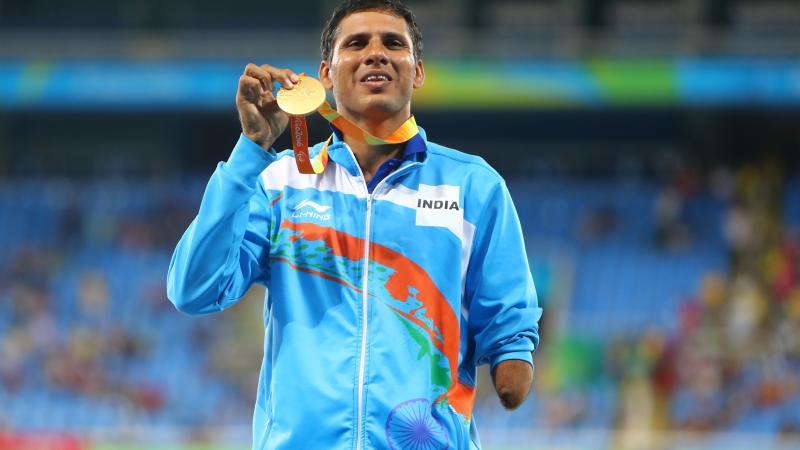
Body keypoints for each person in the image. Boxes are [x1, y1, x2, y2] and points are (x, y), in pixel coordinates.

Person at [167, 1, 542, 448]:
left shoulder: (474, 187)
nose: (376, 53)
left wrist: (513, 358)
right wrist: (251, 150)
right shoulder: (280, 182)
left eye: (394, 43)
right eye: (357, 43)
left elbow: (507, 320)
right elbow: (194, 290)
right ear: (325, 74)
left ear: (417, 71)